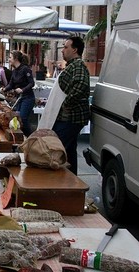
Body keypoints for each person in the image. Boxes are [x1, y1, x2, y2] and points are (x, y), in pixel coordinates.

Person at [53, 36, 90, 175]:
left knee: (58, 148)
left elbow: (81, 85)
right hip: (69, 117)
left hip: (71, 118)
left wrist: (65, 104)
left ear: (75, 50)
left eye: (66, 47)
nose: (62, 50)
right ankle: (72, 182)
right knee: (69, 151)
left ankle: (62, 182)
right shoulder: (73, 66)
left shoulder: (78, 65)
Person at [2, 50, 35, 137]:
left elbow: (32, 83)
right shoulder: (14, 71)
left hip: (28, 98)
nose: (9, 59)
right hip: (19, 98)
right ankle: (20, 137)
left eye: (10, 57)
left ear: (16, 59)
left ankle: (31, 137)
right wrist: (4, 89)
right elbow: (11, 84)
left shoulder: (25, 69)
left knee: (23, 118)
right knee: (16, 118)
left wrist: (22, 90)